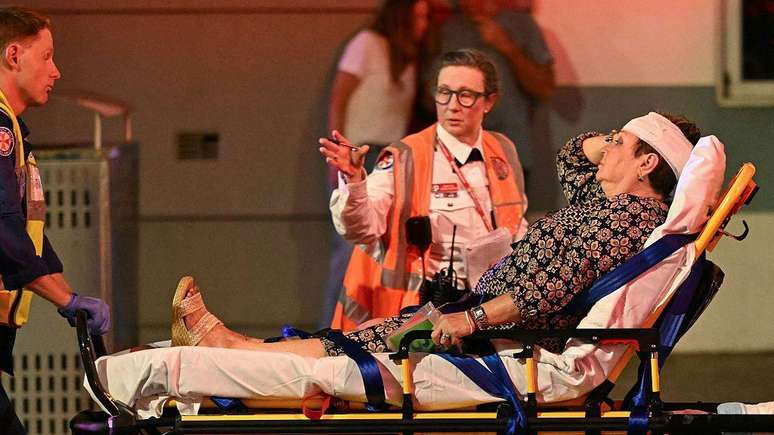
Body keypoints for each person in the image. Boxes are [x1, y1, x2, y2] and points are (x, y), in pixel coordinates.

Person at [169, 109, 700, 363]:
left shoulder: (620, 219)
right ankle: (233, 348)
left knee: (364, 345)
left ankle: (227, 351)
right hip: (480, 307)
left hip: (497, 326)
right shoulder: (609, 204)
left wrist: (465, 318)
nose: (605, 146)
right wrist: (621, 139)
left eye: (621, 144)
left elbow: (552, 286)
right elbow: (572, 155)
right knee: (365, 337)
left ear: (648, 163)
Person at [321, 48, 529, 331]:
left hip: (488, 306)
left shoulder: (503, 149)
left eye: (465, 95)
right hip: (425, 309)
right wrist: (355, 180)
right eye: (444, 92)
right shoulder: (405, 156)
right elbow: (361, 229)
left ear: (488, 101)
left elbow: (517, 223)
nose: (452, 105)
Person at [0, 7, 110, 434]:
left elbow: (30, 234)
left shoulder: (13, 130)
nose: (57, 71)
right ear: (13, 55)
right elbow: (4, 232)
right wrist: (66, 301)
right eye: (46, 57)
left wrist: (71, 295)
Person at [320, 0, 431, 328]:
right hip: (358, 152)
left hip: (390, 155)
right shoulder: (366, 43)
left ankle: (374, 326)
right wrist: (338, 152)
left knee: (381, 251)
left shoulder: (406, 56)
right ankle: (330, 329)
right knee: (347, 251)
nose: (424, 23)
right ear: (402, 14)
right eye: (419, 15)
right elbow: (339, 96)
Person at [432, 0, 554, 186]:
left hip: (508, 153)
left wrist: (508, 47)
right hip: (455, 155)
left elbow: (544, 89)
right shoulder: (448, 30)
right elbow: (429, 95)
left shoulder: (522, 25)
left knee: (508, 215)